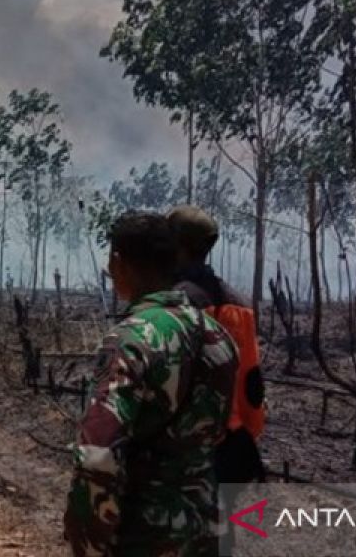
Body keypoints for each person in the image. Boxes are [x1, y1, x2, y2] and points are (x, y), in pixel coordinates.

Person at [65, 211, 237, 557]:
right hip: (204, 526)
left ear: (118, 261)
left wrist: (87, 542)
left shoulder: (132, 339)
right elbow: (217, 433)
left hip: (144, 534)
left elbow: (99, 454)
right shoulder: (218, 336)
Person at [168, 205, 266, 483]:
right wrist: (249, 432)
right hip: (232, 443)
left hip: (183, 446)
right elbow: (251, 381)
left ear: (174, 244)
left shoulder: (172, 301)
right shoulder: (240, 304)